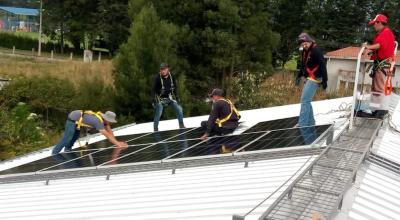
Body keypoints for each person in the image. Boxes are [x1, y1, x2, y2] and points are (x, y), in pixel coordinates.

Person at [358, 13, 395, 119]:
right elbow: (381, 48)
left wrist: (368, 47)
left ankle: (380, 112)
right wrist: (371, 52)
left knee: (378, 88)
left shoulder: (386, 33)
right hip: (382, 64)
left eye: (375, 23)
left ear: (379, 23)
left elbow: (380, 45)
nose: (374, 25)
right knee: (376, 88)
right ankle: (375, 110)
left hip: (383, 65)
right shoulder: (384, 33)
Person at [52, 110, 128, 155]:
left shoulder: (104, 121)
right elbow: (107, 135)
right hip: (72, 119)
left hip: (78, 121)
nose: (111, 123)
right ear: (106, 119)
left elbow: (110, 132)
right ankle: (54, 153)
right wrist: (118, 144)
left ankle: (67, 150)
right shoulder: (97, 121)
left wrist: (118, 142)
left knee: (75, 136)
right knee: (67, 138)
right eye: (110, 121)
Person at [296, 33, 328, 127]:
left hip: (316, 77)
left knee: (305, 100)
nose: (304, 46)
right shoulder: (305, 51)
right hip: (310, 76)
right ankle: (311, 122)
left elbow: (322, 65)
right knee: (307, 100)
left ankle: (303, 124)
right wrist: (299, 75)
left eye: (305, 43)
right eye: (302, 45)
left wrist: (325, 80)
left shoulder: (316, 50)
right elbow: (303, 63)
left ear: (309, 41)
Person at [152, 63, 185, 131]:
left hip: (170, 98)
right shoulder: (157, 78)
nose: (163, 71)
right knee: (159, 112)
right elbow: (153, 90)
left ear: (167, 69)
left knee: (179, 109)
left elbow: (175, 87)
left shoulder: (172, 76)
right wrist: (153, 100)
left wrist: (177, 96)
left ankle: (181, 124)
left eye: (164, 69)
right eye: (161, 69)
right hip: (160, 99)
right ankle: (155, 128)